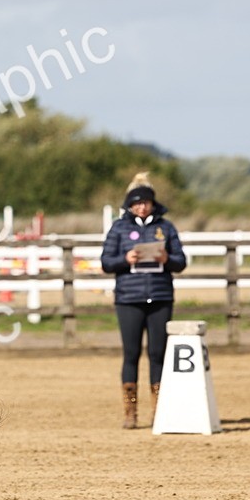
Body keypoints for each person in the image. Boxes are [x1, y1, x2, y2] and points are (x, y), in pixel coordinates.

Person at [100, 172, 186, 429]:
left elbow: (181, 261)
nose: (141, 206)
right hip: (129, 298)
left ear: (152, 203)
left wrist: (166, 260)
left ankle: (159, 410)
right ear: (129, 205)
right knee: (131, 354)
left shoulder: (166, 228)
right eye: (136, 203)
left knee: (158, 353)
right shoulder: (119, 228)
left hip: (160, 296)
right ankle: (131, 411)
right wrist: (125, 260)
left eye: (145, 202)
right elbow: (106, 262)